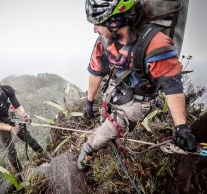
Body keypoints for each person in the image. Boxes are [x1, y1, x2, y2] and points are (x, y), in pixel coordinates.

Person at [77, 0, 196, 171]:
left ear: (114, 22)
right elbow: (96, 70)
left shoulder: (155, 43)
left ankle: (87, 151)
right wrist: (88, 102)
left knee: (109, 129)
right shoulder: (104, 40)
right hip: (120, 86)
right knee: (108, 112)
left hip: (140, 98)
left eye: (98, 24)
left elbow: (172, 86)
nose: (95, 29)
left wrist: (181, 128)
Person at [0, 73, 44, 173]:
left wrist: (24, 115)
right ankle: (20, 174)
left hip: (9, 116)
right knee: (11, 150)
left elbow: (17, 107)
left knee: (26, 136)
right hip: (0, 125)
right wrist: (11, 128)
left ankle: (42, 155)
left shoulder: (7, 90)